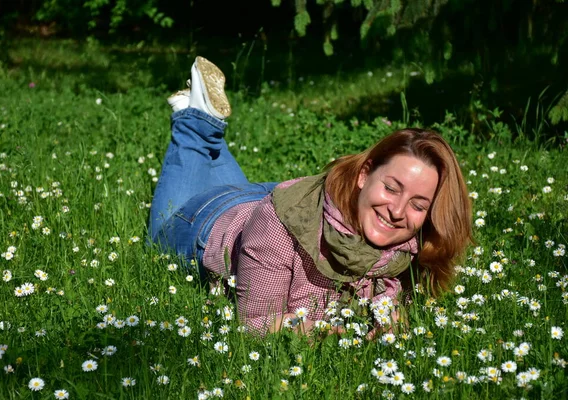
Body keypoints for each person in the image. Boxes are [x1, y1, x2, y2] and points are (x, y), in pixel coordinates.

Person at [149, 56, 473, 336]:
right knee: (160, 229)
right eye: (390, 188)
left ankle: (201, 117)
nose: (398, 211)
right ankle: (193, 121)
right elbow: (254, 325)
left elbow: (382, 297)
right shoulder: (280, 225)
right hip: (208, 222)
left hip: (270, 198)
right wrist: (322, 330)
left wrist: (389, 321)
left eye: (419, 205)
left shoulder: (410, 244)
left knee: (209, 146)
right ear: (364, 175)